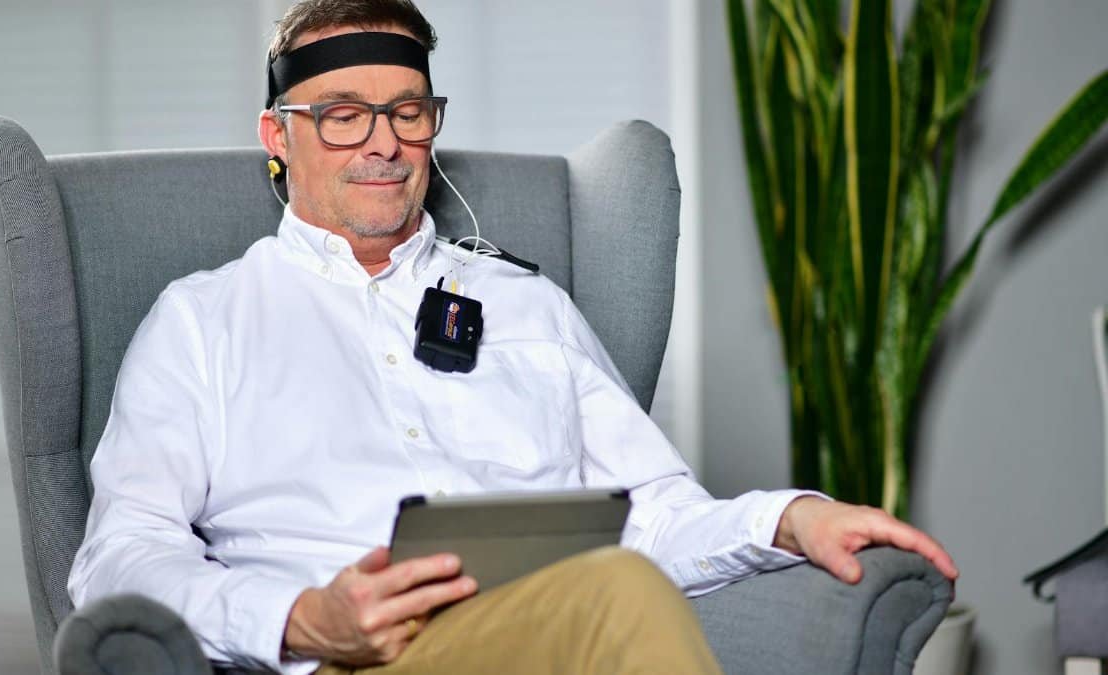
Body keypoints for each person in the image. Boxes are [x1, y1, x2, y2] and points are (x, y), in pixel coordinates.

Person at [68, 1, 959, 673]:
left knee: (615, 585)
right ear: (278, 136)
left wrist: (787, 516)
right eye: (342, 114)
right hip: (359, 662)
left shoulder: (527, 307)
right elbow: (119, 555)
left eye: (408, 111)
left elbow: (648, 512)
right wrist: (300, 615)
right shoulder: (203, 322)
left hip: (550, 633)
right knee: (616, 594)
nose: (382, 143)